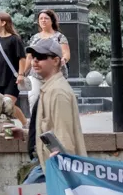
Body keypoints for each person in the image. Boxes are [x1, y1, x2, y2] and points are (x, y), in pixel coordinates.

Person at [26, 36, 86, 170]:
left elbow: (64, 138)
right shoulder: (50, 88)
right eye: (33, 56)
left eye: (41, 57)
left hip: (55, 168)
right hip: (47, 164)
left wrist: (62, 174)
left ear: (56, 60)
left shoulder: (58, 92)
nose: (34, 60)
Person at [27, 9, 70, 111]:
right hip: (36, 74)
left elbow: (66, 53)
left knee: (54, 102)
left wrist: (63, 59)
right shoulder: (34, 38)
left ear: (52, 21)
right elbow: (29, 57)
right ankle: (35, 124)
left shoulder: (59, 37)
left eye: (46, 18)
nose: (43, 20)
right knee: (33, 98)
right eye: (41, 18)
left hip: (54, 74)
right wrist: (22, 74)